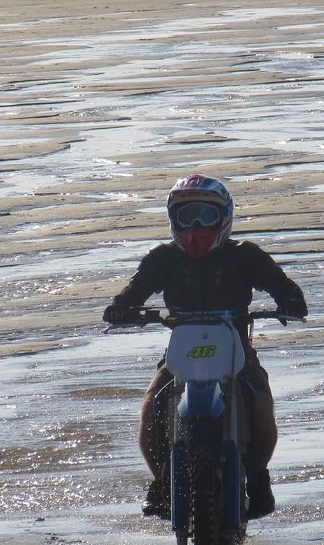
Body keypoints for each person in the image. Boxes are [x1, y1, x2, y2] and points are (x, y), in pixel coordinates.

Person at [103, 174, 307, 520]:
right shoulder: (161, 259)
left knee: (259, 397)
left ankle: (257, 478)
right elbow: (133, 291)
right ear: (172, 219)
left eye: (205, 215)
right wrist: (122, 306)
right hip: (182, 350)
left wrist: (290, 300)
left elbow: (284, 286)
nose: (195, 225)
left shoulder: (246, 256)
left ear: (224, 217)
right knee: (152, 403)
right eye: (186, 216)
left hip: (236, 348)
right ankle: (162, 481)